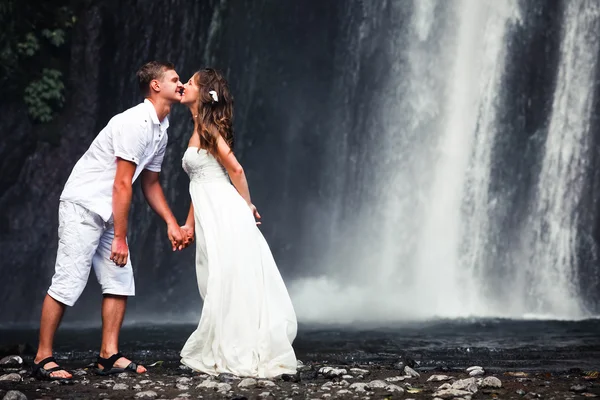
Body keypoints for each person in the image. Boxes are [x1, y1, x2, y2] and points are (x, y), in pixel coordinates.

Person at [32, 61, 190, 381]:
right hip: (85, 205)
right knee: (68, 282)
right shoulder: (135, 122)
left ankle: (108, 355)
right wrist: (120, 237)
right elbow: (122, 182)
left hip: (108, 211)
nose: (182, 84)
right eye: (175, 79)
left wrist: (171, 223)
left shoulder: (162, 127)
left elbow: (150, 182)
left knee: (119, 280)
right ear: (156, 86)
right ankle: (42, 357)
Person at [178, 68, 297, 378]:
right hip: (210, 212)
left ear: (203, 94)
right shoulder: (199, 126)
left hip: (225, 211)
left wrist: (246, 207)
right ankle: (226, 342)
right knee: (217, 276)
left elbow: (236, 171)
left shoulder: (207, 129)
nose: (183, 86)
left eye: (189, 83)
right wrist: (188, 224)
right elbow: (199, 181)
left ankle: (235, 347)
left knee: (225, 277)